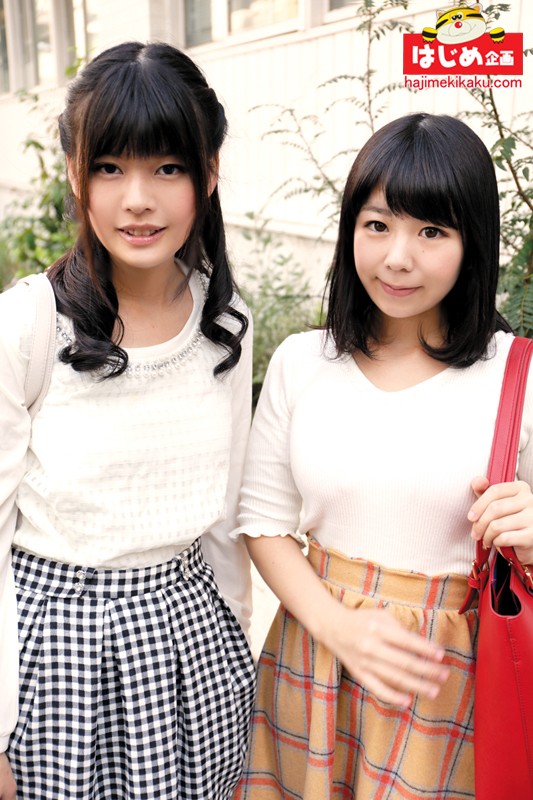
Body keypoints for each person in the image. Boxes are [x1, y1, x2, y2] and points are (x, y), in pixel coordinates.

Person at [232, 113, 533, 799]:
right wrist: (340, 628)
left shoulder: (515, 375)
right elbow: (262, 521)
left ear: (473, 242)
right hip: (313, 661)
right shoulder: (303, 362)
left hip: (445, 679)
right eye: (377, 225)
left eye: (431, 232)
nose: (398, 257)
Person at [0, 41, 256, 800]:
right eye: (109, 168)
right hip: (54, 666)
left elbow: (226, 520)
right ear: (75, 174)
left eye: (167, 168)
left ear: (209, 174)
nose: (137, 199)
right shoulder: (27, 325)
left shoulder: (226, 324)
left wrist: (237, 657)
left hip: (194, 658)